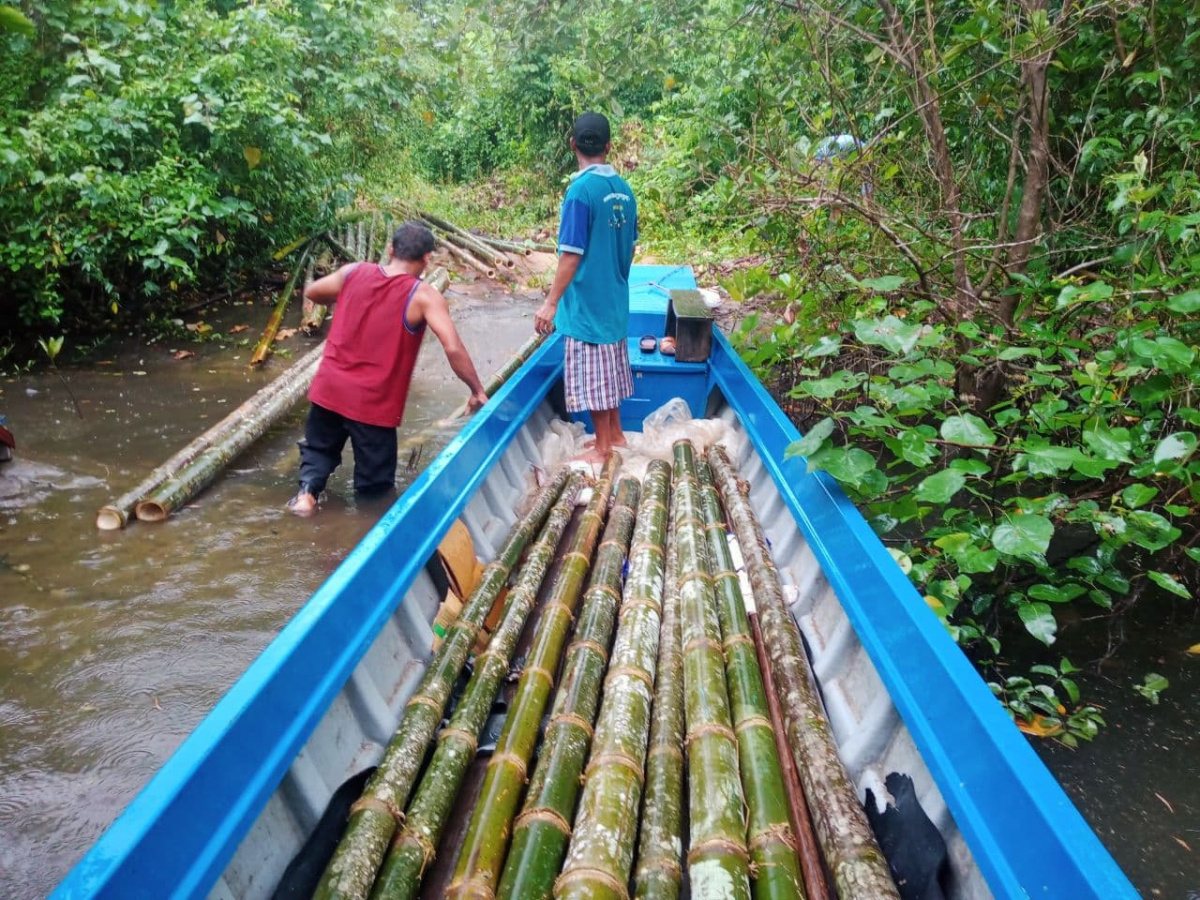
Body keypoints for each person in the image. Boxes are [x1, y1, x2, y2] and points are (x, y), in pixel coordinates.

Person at [288, 221, 489, 515]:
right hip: (372, 404)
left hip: (329, 388)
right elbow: (452, 346)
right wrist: (476, 389)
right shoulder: (423, 296)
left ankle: (306, 497)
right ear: (426, 259)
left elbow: (315, 292)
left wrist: (347, 294)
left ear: (391, 249)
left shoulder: (353, 272)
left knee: (318, 452)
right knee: (374, 487)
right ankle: (366, 532)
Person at [534, 112, 639, 466]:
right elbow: (630, 246)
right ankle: (617, 433)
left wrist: (550, 303)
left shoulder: (580, 191)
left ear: (572, 145)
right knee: (611, 369)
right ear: (609, 147)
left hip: (586, 305)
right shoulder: (624, 190)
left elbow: (570, 255)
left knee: (595, 377)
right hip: (614, 298)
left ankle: (603, 447)